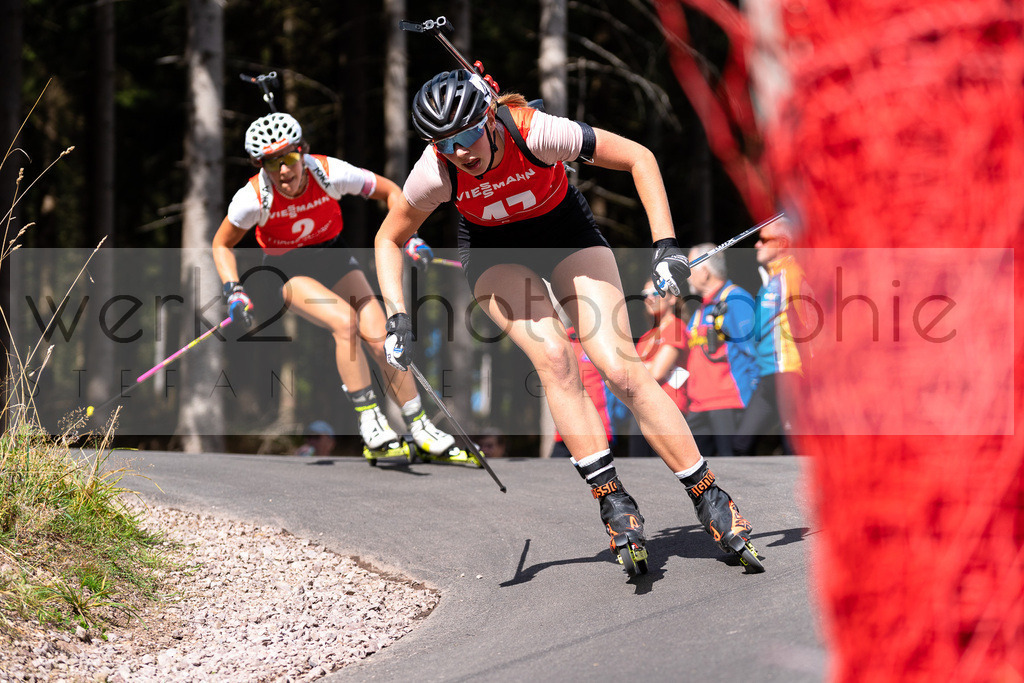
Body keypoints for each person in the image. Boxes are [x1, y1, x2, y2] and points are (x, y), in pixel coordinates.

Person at [374, 69, 764, 573]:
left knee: (621, 369)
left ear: (489, 117)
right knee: (556, 358)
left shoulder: (535, 131)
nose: (462, 151)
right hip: (496, 255)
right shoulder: (435, 172)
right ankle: (612, 499)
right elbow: (388, 239)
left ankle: (708, 495)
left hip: (566, 234)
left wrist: (665, 246)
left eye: (468, 133)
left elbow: (639, 158)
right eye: (445, 143)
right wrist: (396, 316)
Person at [211, 112, 474, 466]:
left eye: (288, 158)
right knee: (345, 323)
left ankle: (422, 428)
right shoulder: (253, 197)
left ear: (302, 151)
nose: (283, 171)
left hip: (333, 257)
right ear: (261, 166)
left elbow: (390, 191)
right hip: (287, 271)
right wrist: (233, 289)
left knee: (384, 338)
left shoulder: (329, 171)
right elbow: (221, 244)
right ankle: (371, 423)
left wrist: (408, 236)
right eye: (271, 164)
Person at [733, 217, 809, 455]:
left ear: (783, 243)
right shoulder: (770, 280)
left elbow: (811, 323)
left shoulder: (792, 275)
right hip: (768, 376)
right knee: (740, 444)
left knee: (794, 448)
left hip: (789, 373)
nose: (757, 245)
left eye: (764, 240)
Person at [683, 244, 759, 457]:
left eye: (690, 268)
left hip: (729, 401)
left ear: (704, 271)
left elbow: (753, 350)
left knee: (736, 473)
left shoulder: (736, 299)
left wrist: (753, 401)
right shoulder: (702, 307)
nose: (687, 276)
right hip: (698, 405)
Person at [628, 279, 690, 458]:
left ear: (672, 298)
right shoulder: (645, 337)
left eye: (656, 293)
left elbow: (657, 373)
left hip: (668, 409)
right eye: (645, 294)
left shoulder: (676, 327)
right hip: (642, 409)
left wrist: (639, 369)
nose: (649, 298)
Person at [548, 326, 614, 458]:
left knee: (601, 474)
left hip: (599, 427)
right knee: (553, 472)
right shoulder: (564, 336)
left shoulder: (602, 336)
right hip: (566, 427)